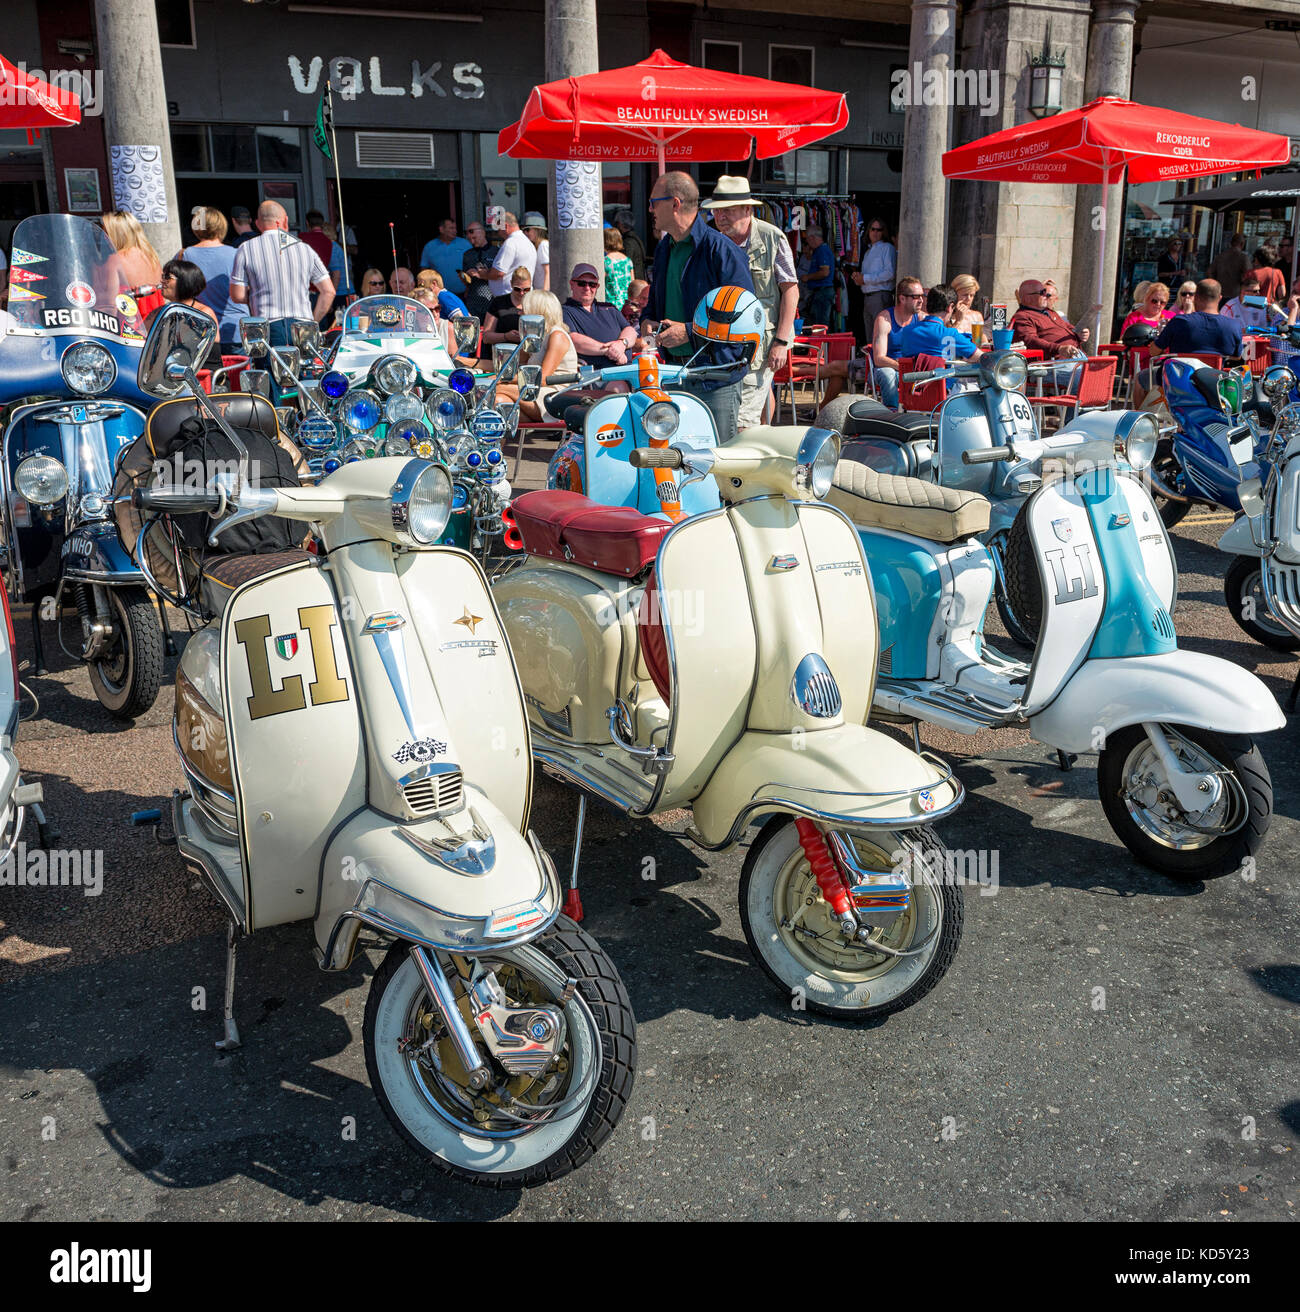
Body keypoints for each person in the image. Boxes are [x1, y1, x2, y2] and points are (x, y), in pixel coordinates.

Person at [643, 170, 754, 437]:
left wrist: (689, 330)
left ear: (675, 203)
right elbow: (656, 302)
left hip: (715, 376)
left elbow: (743, 316)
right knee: (676, 460)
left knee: (718, 463)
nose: (650, 210)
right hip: (673, 371)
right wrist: (646, 319)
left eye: (654, 202)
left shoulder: (721, 250)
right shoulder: (664, 248)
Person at [704, 175, 799, 429]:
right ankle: (763, 444)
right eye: (716, 212)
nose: (720, 217)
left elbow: (791, 291)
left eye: (728, 211)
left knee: (742, 419)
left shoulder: (772, 238)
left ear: (748, 209)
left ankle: (749, 453)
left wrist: (780, 341)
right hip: (724, 341)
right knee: (752, 400)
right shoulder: (713, 241)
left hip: (763, 341)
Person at [1133, 278, 1243, 406]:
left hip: (1177, 380)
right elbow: (1237, 356)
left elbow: (1154, 351)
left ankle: (1141, 421)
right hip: (1213, 380)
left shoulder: (1180, 321)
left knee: (1139, 379)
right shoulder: (1233, 326)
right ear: (1219, 298)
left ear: (1196, 297)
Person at [229, 200, 335, 330]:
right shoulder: (305, 249)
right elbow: (329, 291)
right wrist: (312, 323)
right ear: (285, 221)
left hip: (267, 324)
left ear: (257, 224)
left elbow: (237, 295)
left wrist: (256, 295)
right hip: (302, 323)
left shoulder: (246, 248)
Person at [493, 290, 580, 422]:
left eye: (524, 310)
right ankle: (498, 440)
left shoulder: (557, 336)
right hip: (535, 392)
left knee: (496, 389)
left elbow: (543, 379)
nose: (519, 313)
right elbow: (510, 366)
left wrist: (500, 380)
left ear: (537, 312)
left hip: (554, 397)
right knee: (498, 401)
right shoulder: (537, 337)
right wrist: (467, 363)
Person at [179, 205, 247, 352]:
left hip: (200, 331)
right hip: (235, 330)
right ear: (221, 226)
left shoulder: (184, 255)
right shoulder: (237, 254)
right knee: (239, 374)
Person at [1010, 277, 1088, 385]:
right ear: (1028, 299)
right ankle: (1079, 402)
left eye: (1047, 293)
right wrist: (1059, 349)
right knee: (1084, 380)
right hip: (1051, 365)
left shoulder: (1050, 313)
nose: (1047, 296)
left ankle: (1090, 402)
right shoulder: (1022, 317)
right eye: (1042, 293)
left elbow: (1068, 328)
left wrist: (1079, 334)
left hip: (1076, 357)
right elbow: (1030, 341)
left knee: (1101, 374)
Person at [563, 262, 641, 366]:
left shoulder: (609, 307)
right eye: (581, 283)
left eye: (592, 284)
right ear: (572, 284)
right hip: (595, 376)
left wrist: (621, 344)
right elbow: (574, 340)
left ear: (597, 286)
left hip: (626, 369)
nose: (587, 288)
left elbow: (630, 330)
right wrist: (611, 351)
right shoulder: (565, 310)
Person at [867, 276, 926, 408]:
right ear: (902, 298)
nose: (921, 300)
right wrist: (903, 368)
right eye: (916, 297)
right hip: (887, 370)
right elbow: (879, 359)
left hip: (912, 371)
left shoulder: (922, 319)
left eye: (923, 295)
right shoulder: (884, 319)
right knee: (888, 374)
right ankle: (891, 415)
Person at [154, 259, 222, 368]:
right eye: (163, 276)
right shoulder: (165, 311)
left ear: (185, 281)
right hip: (173, 375)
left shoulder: (202, 313)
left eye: (167, 277)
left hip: (202, 378)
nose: (162, 281)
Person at [101, 209, 165, 318]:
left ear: (116, 234)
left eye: (105, 232)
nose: (103, 237)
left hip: (132, 326)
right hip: (156, 322)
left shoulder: (115, 260)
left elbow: (110, 305)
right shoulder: (151, 256)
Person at [410, 287, 477, 368]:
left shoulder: (447, 328)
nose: (435, 314)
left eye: (437, 308)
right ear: (415, 312)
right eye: (428, 310)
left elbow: (455, 361)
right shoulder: (408, 328)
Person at [853, 218, 897, 336]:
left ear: (884, 232)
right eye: (873, 229)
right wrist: (858, 278)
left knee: (880, 335)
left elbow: (890, 273)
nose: (875, 232)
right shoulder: (868, 252)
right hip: (868, 297)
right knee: (870, 336)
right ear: (869, 231)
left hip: (880, 296)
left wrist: (865, 278)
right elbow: (866, 277)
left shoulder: (887, 248)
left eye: (879, 230)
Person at [1120, 281, 1173, 370]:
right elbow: (1123, 338)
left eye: (1162, 302)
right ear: (1147, 299)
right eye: (1154, 301)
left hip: (1166, 359)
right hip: (1142, 359)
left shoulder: (1171, 316)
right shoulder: (1135, 316)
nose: (1158, 304)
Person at [419, 218, 470, 296]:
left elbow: (472, 267)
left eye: (455, 228)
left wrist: (470, 288)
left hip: (463, 293)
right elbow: (424, 271)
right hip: (439, 294)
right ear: (441, 229)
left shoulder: (465, 244)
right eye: (451, 228)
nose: (455, 231)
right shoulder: (430, 247)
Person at [482, 266, 533, 346]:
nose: (521, 293)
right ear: (511, 284)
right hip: (501, 352)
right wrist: (506, 336)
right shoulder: (498, 302)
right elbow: (486, 337)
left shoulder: (534, 304)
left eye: (526, 289)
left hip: (527, 354)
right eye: (517, 289)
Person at [489, 213, 536, 296]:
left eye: (498, 229)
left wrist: (482, 274)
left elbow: (498, 273)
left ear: (506, 226)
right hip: (521, 295)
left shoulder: (510, 243)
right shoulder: (527, 242)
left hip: (509, 298)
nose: (498, 233)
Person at [460, 220, 498, 319]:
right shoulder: (467, 255)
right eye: (469, 239)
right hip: (473, 301)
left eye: (474, 238)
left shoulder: (496, 252)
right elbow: (466, 283)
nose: (472, 241)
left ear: (482, 232)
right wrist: (465, 276)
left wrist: (482, 274)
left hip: (492, 299)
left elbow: (501, 275)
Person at [800, 226, 835, 328]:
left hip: (822, 293)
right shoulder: (819, 251)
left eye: (807, 239)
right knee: (818, 322)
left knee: (820, 325)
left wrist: (808, 277)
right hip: (820, 293)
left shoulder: (822, 251)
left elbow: (825, 272)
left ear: (812, 238)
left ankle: (823, 343)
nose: (807, 242)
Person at [1209, 233, 1250, 303]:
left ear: (1231, 243)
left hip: (1220, 293)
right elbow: (1248, 275)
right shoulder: (1243, 258)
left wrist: (1215, 287)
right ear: (1242, 244)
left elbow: (1210, 272)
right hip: (1235, 294)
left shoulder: (1220, 256)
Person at [604, 227, 634, 310]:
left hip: (610, 305)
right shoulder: (628, 261)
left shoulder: (606, 261)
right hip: (626, 304)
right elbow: (632, 283)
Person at [948, 273, 985, 338]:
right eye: (965, 295)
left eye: (972, 295)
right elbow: (946, 339)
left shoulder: (976, 316)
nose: (968, 299)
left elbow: (979, 342)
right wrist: (958, 321)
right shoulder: (946, 315)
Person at [614, 208, 646, 280]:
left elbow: (626, 263)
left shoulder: (628, 242)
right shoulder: (635, 238)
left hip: (634, 280)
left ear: (621, 224)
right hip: (637, 278)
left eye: (617, 223)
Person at [522, 212, 549, 291]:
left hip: (542, 292)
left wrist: (544, 293)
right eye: (523, 230)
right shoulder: (536, 246)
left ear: (537, 230)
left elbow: (548, 272)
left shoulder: (543, 245)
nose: (525, 233)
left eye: (527, 229)